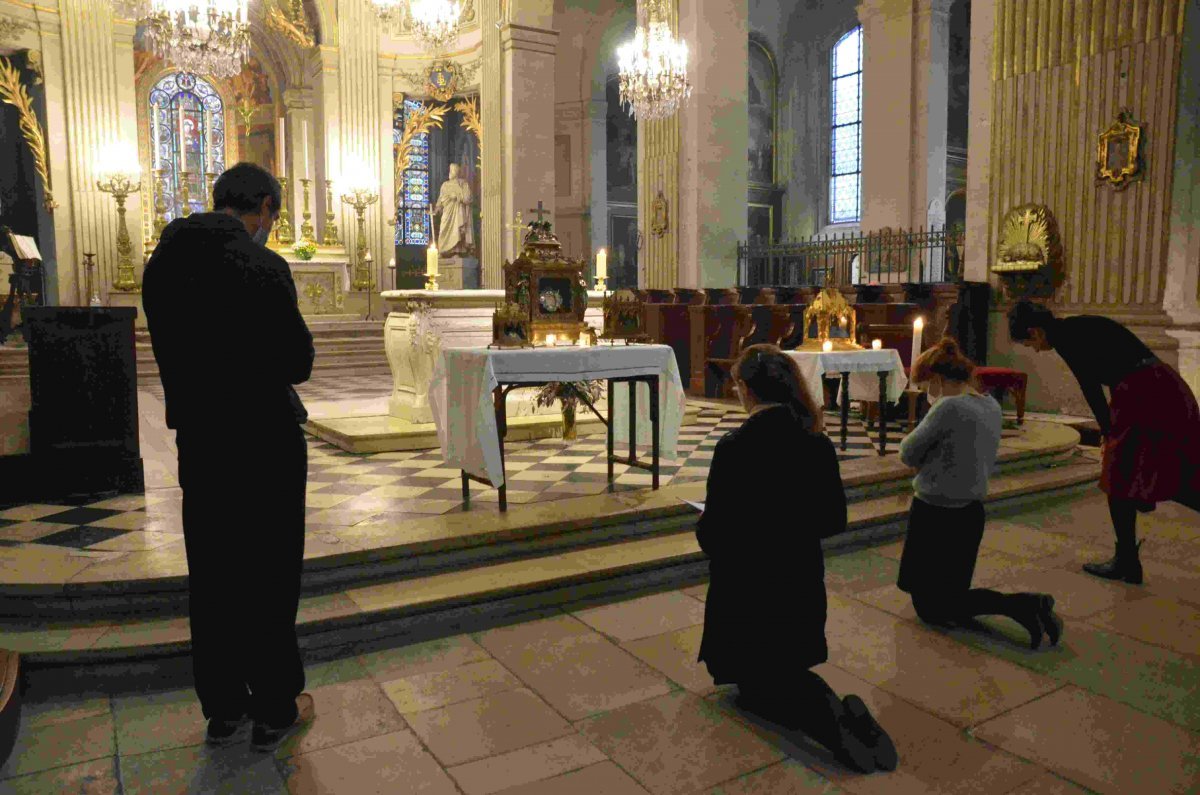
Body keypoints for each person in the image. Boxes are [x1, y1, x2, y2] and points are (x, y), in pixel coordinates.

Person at [142, 162, 316, 751]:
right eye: (274, 215)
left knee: (214, 575)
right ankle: (273, 706)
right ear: (264, 206)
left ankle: (223, 710)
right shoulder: (263, 265)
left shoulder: (161, 264)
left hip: (202, 440)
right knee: (269, 572)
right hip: (264, 440)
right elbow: (298, 362)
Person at [696, 344, 897, 774]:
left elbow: (713, 535)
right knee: (780, 669)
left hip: (748, 591)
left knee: (753, 689)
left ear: (746, 390)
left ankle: (833, 724)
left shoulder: (734, 448)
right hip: (799, 583)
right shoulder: (816, 441)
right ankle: (847, 717)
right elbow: (834, 520)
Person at [1007, 301, 1200, 583]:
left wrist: (1108, 434)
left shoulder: (1066, 338)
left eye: (1029, 343)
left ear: (1035, 332)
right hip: (1166, 387)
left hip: (1144, 394)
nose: (1034, 349)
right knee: (1175, 472)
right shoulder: (1079, 325)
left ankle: (1126, 562)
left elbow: (1091, 389)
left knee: (1118, 476)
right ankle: (1126, 560)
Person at [897, 337, 1064, 649]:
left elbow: (907, 453)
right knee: (952, 597)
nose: (924, 392)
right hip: (971, 513)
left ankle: (1022, 605)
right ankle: (1027, 606)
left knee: (931, 610)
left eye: (924, 385)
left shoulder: (949, 406)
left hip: (935, 513)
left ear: (936, 378)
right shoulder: (990, 405)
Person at [432, 162, 475, 256]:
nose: (450, 172)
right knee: (443, 229)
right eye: (450, 170)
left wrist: (457, 197)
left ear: (456, 172)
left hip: (458, 212)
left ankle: (457, 250)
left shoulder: (463, 184)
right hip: (447, 212)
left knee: (457, 230)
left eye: (452, 170)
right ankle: (443, 251)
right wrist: (436, 209)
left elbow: (468, 198)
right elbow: (440, 199)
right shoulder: (445, 185)